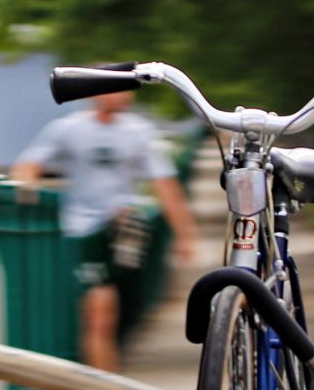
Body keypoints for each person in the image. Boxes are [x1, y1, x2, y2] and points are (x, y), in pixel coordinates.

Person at [11, 91, 201, 373]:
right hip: (84, 228)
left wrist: (184, 234)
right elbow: (27, 165)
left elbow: (164, 184)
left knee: (128, 308)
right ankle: (106, 389)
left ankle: (110, 380)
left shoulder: (139, 131)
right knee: (100, 311)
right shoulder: (69, 128)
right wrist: (26, 185)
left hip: (125, 229)